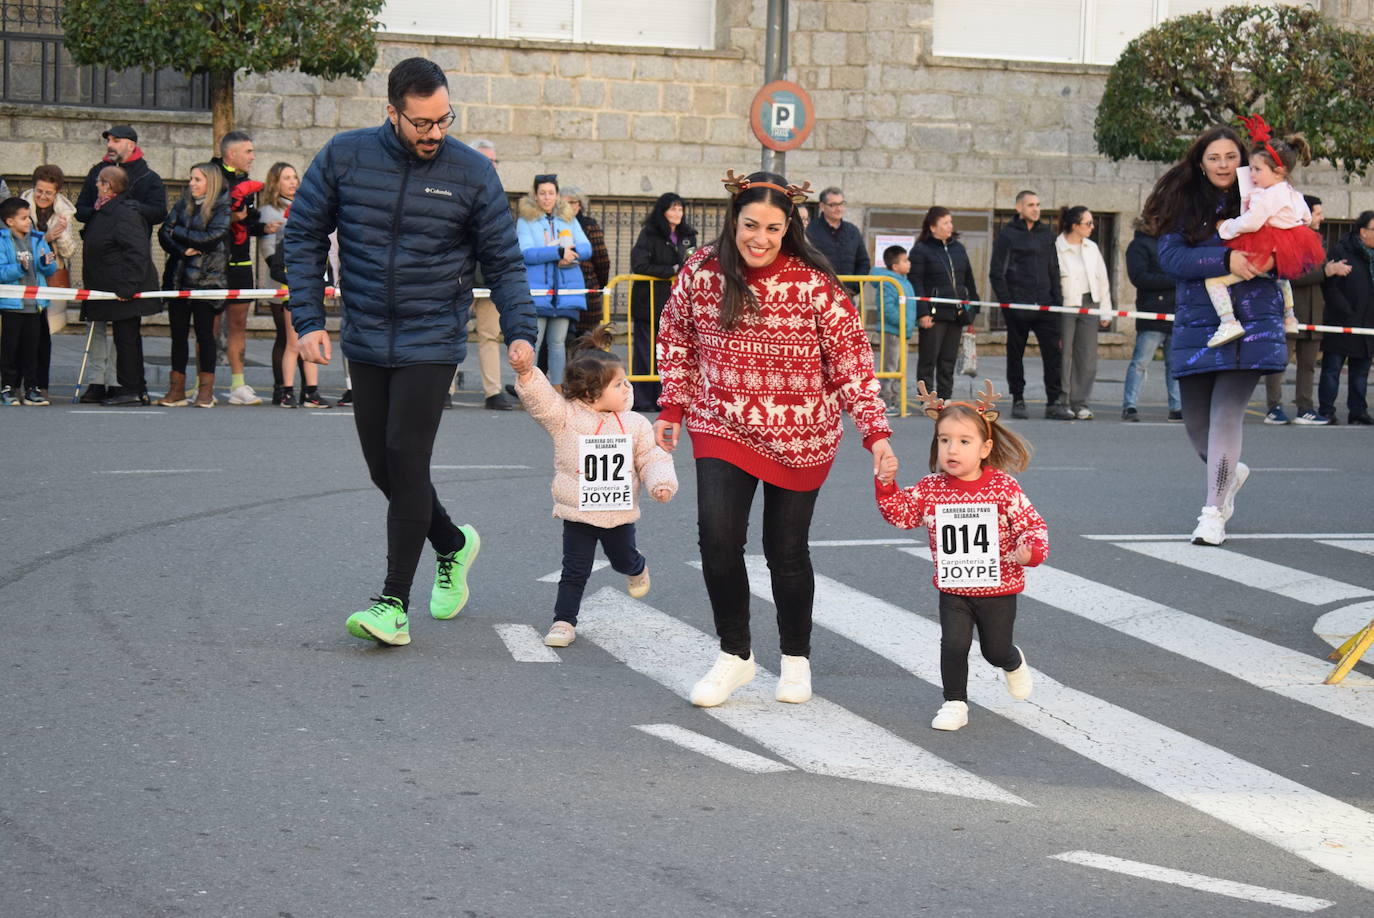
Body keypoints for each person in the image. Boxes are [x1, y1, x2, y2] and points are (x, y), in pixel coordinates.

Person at [287, 57, 537, 646]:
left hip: (433, 335)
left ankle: (392, 604)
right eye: (421, 122)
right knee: (384, 468)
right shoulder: (346, 156)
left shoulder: (472, 173)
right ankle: (452, 544)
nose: (433, 133)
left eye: (442, 119)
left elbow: (502, 260)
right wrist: (307, 319)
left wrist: (521, 329)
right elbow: (301, 236)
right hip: (367, 333)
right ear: (393, 112)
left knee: (405, 455)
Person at [654, 170, 896, 708]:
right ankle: (735, 655)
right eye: (749, 225)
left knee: (784, 552)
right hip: (721, 422)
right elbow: (676, 335)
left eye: (772, 227)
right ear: (732, 220)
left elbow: (852, 361)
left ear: (788, 228)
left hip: (802, 434)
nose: (758, 238)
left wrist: (875, 434)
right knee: (717, 542)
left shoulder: (814, 284)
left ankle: (795, 658)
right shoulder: (700, 270)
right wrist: (673, 405)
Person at [875, 382, 1046, 731]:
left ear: (985, 448)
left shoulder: (1002, 487)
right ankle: (954, 701)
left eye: (964, 442)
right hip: (955, 585)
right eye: (944, 440)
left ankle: (1012, 662)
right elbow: (902, 514)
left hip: (998, 585)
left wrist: (1030, 551)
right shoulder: (930, 488)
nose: (952, 449)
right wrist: (886, 483)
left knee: (994, 650)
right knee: (953, 644)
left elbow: (1033, 524)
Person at [1144, 124, 1283, 546]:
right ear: (1200, 163)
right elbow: (1171, 257)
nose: (1224, 164)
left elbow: (1294, 248)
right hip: (1198, 323)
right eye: (1214, 158)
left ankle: (1212, 513)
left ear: (1242, 158)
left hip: (1254, 323)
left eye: (1230, 156)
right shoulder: (1183, 201)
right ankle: (1229, 471)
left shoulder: (1264, 193)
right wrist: (1226, 258)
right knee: (1195, 423)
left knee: (1227, 414)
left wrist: (1266, 260)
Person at [512, 325, 678, 648]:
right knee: (574, 569)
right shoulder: (566, 418)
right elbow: (543, 401)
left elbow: (651, 457)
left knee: (622, 559)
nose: (628, 387)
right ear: (592, 393)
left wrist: (660, 483)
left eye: (626, 381)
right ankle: (563, 621)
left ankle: (637, 566)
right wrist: (527, 373)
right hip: (578, 510)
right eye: (619, 384)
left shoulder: (634, 424)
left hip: (618, 512)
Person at [1205, 120, 1323, 350]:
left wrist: (1224, 227)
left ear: (1278, 171)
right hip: (1291, 241)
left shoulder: (1267, 196)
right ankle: (1290, 316)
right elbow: (1307, 218)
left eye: (1257, 170)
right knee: (1281, 277)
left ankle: (1228, 322)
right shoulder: (1292, 192)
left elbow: (1250, 223)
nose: (1253, 175)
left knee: (1214, 281)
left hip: (1265, 242)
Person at [73, 124, 167, 404]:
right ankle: (99, 382)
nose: (110, 144)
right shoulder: (98, 173)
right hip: (102, 278)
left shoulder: (146, 180)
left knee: (126, 336)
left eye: (116, 140)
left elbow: (139, 243)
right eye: (108, 140)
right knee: (101, 329)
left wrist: (127, 284)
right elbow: (82, 209)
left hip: (123, 279)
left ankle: (127, 387)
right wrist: (100, 211)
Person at [1266, 196, 1351, 425]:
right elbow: (1290, 275)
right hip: (1290, 312)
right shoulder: (1289, 239)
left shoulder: (1317, 241)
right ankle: (1273, 408)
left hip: (1315, 313)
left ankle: (1305, 408)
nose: (1321, 218)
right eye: (1317, 213)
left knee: (1308, 365)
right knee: (1279, 363)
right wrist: (1327, 271)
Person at [990, 191, 1072, 420]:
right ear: (1019, 208)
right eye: (1030, 205)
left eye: (1038, 204)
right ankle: (1018, 398)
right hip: (1018, 305)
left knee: (1053, 355)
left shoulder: (1047, 234)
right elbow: (997, 273)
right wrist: (1008, 304)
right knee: (1015, 354)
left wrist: (1057, 302)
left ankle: (1053, 401)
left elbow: (1054, 269)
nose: (1036, 209)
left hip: (1046, 305)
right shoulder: (1007, 235)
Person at [212, 130, 280, 406]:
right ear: (232, 154)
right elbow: (203, 216)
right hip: (213, 264)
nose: (253, 157)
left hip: (240, 262)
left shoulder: (248, 184)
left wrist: (262, 227)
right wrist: (230, 216)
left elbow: (247, 222)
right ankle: (202, 385)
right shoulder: (211, 176)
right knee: (210, 325)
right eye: (248, 152)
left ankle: (238, 385)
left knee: (239, 324)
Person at [156, 163, 230, 407]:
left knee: (205, 336)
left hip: (207, 280)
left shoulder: (221, 207)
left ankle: (205, 392)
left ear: (210, 182)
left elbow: (210, 238)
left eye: (197, 179)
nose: (192, 183)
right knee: (177, 335)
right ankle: (176, 390)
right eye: (191, 179)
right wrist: (182, 248)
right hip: (178, 278)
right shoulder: (183, 203)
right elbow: (163, 234)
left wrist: (176, 231)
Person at [258, 161, 328, 409]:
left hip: (302, 280)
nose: (293, 182)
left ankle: (309, 391)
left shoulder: (304, 207)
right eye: (286, 178)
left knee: (304, 335)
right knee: (286, 339)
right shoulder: (269, 210)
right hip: (282, 281)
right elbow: (268, 249)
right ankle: (283, 388)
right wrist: (289, 274)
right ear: (275, 182)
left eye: (294, 177)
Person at [517, 174, 590, 388]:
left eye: (551, 193)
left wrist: (571, 253)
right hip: (538, 291)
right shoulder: (526, 220)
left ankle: (557, 389)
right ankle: (530, 388)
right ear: (535, 195)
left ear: (557, 195)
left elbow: (586, 248)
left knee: (557, 343)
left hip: (565, 291)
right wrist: (558, 252)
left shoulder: (568, 218)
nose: (547, 197)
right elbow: (526, 252)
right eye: (542, 193)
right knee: (535, 344)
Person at [629, 192, 698, 412]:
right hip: (647, 302)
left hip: (674, 304)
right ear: (663, 211)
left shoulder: (688, 235)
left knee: (669, 352)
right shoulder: (649, 234)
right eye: (673, 208)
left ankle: (665, 397)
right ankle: (642, 398)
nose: (677, 213)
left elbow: (692, 260)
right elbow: (639, 264)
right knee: (644, 350)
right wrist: (671, 271)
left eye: (680, 209)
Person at [465, 139, 517, 410]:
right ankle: (443, 390)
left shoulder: (498, 195)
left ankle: (493, 391)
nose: (493, 166)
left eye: (495, 161)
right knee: (452, 332)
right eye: (488, 161)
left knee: (489, 335)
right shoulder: (458, 189)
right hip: (458, 276)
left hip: (487, 277)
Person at [908, 206, 980, 402]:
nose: (950, 226)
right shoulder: (921, 250)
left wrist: (973, 306)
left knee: (948, 359)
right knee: (928, 359)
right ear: (933, 227)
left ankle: (945, 397)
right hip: (933, 313)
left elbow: (969, 279)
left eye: (950, 222)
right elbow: (916, 283)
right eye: (945, 223)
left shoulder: (958, 248)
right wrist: (922, 313)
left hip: (956, 313)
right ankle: (927, 398)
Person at [21, 165, 79, 397]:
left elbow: (70, 251)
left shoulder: (64, 213)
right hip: (24, 277)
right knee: (21, 332)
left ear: (57, 193)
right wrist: (46, 237)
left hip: (51, 276)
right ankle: (18, 383)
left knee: (44, 334)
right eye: (39, 191)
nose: (43, 197)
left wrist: (61, 233)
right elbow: (18, 243)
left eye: (49, 192)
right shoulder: (20, 207)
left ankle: (40, 385)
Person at [1054, 205, 1112, 419]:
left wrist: (1106, 312)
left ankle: (1081, 401)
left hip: (1090, 303)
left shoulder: (1091, 248)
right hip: (1067, 304)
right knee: (1065, 354)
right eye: (1087, 223)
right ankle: (1063, 398)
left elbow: (1102, 280)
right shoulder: (1057, 247)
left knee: (1087, 355)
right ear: (1075, 226)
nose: (1092, 227)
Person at [1316, 211, 1374, 425]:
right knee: (1332, 369)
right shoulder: (1342, 250)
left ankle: (1358, 411)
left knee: (1361, 372)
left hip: (1367, 324)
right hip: (1342, 321)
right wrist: (1346, 311)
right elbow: (1331, 287)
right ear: (1363, 231)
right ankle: (1326, 410)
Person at [0, 197, 59, 406]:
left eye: (29, 218)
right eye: (23, 218)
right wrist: (19, 268)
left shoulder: (36, 238)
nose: (28, 222)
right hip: (12, 305)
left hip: (35, 304)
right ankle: (7, 387)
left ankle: (32, 388)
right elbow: (1, 272)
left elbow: (49, 268)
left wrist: (46, 263)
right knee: (10, 348)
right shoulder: (2, 240)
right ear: (9, 221)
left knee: (32, 348)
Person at [1123, 222, 1182, 422]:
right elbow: (1139, 277)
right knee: (1140, 362)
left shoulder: (1172, 243)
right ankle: (1129, 406)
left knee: (1174, 365)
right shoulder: (1139, 245)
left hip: (1175, 311)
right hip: (1152, 312)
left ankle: (1176, 407)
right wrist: (1172, 280)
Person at [563, 185, 611, 340]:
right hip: (562, 291)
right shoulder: (554, 224)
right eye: (564, 203)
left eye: (572, 202)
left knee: (587, 340)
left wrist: (598, 285)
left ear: (580, 205)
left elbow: (602, 259)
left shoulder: (589, 225)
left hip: (587, 291)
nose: (568, 207)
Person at [873, 244, 916, 413]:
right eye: (905, 261)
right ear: (895, 266)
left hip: (903, 332)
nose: (909, 263)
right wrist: (904, 323)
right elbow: (887, 309)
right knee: (890, 366)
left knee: (901, 367)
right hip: (892, 332)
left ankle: (897, 400)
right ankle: (886, 399)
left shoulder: (905, 282)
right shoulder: (889, 283)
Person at [806, 186, 870, 295]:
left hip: (848, 294)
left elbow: (863, 262)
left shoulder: (853, 231)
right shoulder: (810, 231)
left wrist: (854, 286)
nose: (839, 209)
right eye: (833, 205)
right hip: (819, 294)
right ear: (822, 206)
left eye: (841, 204)